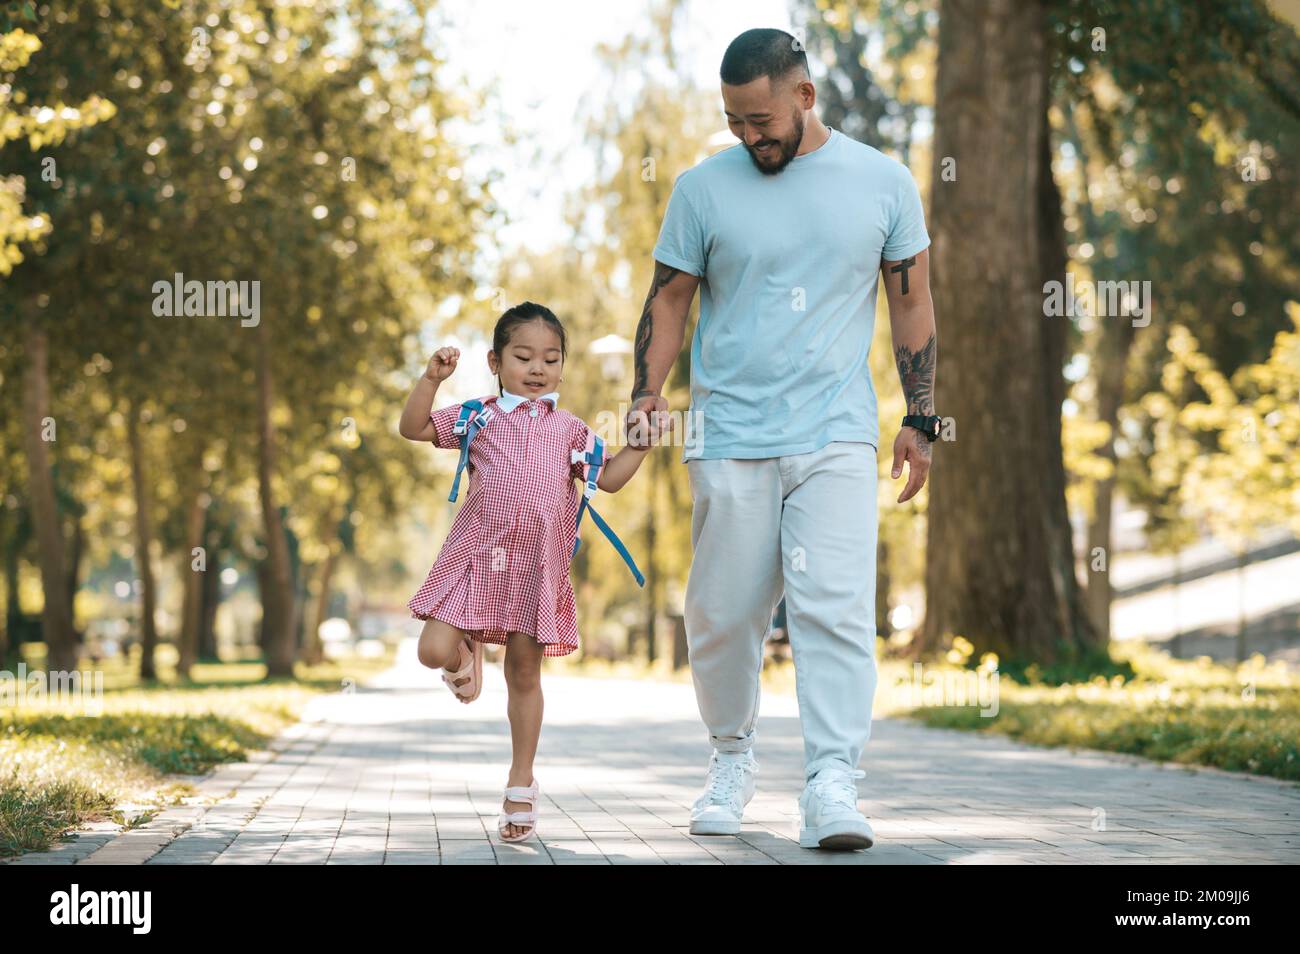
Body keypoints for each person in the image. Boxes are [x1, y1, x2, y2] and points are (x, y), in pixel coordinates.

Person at [624, 28, 940, 851]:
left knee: (835, 609)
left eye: (759, 118)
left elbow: (911, 303)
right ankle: (730, 757)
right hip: (728, 431)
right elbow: (669, 302)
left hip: (836, 432)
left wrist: (920, 416)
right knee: (723, 615)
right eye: (734, 122)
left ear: (803, 95)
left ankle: (833, 783)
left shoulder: (882, 181)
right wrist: (644, 396)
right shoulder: (702, 189)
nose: (748, 136)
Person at [398, 301, 650, 844]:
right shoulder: (477, 415)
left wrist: (642, 444)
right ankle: (465, 651)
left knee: (525, 676)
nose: (537, 368)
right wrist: (429, 380)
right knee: (431, 652)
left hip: (536, 569)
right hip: (475, 559)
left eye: (551, 358)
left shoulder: (571, 429)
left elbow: (608, 481)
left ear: (563, 366)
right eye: (523, 356)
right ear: (495, 361)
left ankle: (521, 781)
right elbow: (413, 427)